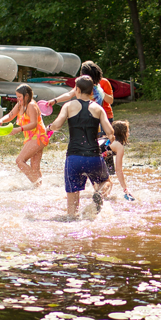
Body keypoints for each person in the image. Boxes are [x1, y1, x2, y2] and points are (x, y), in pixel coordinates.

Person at [49, 76, 115, 217]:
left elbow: (57, 125)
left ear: (77, 89)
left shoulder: (68, 106)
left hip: (74, 158)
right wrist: (111, 138)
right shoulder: (98, 108)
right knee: (106, 182)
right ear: (92, 91)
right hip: (94, 158)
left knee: (72, 208)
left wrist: (48, 127)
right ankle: (99, 193)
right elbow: (110, 132)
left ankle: (72, 220)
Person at [0, 84, 49, 186]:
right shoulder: (20, 104)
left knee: (20, 161)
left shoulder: (31, 105)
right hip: (32, 137)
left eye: (19, 96)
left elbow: (34, 124)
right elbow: (11, 115)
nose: (17, 99)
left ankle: (36, 185)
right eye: (17, 96)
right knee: (35, 167)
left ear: (26, 96)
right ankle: (41, 187)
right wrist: (0, 121)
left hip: (38, 137)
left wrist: (18, 129)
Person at [47, 61, 113, 122]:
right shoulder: (83, 83)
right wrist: (55, 100)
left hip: (106, 117)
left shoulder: (104, 82)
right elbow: (69, 94)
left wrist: (101, 92)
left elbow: (110, 101)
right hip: (89, 116)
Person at [101, 120, 132, 200]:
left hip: (85, 159)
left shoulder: (106, 139)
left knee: (100, 186)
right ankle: (100, 198)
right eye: (128, 132)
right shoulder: (119, 146)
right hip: (96, 160)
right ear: (123, 133)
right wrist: (125, 189)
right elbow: (119, 170)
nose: (129, 134)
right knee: (109, 184)